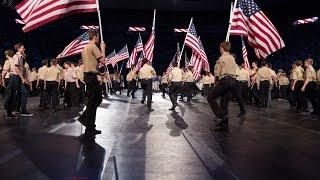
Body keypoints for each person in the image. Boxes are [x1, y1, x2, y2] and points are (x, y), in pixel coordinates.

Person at [207, 41, 246, 131]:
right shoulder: (233, 59)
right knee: (224, 103)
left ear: (222, 48)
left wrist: (215, 84)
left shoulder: (221, 59)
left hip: (225, 80)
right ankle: (224, 127)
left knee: (210, 97)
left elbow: (217, 73)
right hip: (233, 82)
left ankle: (221, 115)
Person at [78, 30, 106, 135]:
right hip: (91, 77)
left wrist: (99, 73)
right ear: (95, 37)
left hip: (90, 75)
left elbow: (90, 64)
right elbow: (103, 61)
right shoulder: (93, 47)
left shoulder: (84, 48)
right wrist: (103, 49)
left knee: (94, 100)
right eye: (98, 37)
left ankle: (88, 122)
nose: (98, 39)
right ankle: (88, 123)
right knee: (94, 101)